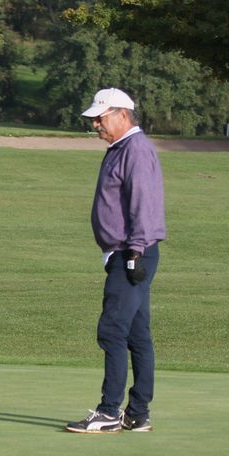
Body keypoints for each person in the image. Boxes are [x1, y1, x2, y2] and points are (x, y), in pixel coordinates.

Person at [66, 88, 166, 434]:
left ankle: (109, 411)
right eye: (94, 118)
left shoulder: (135, 150)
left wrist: (135, 252)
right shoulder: (121, 148)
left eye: (101, 117)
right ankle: (137, 414)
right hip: (127, 251)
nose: (95, 124)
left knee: (112, 330)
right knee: (137, 333)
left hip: (131, 253)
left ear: (122, 115)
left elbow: (143, 203)